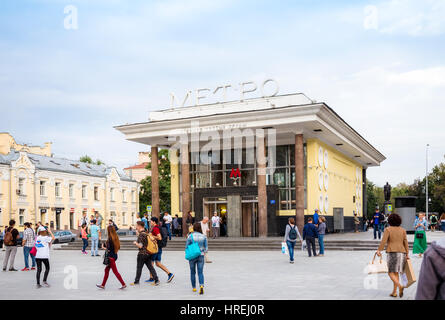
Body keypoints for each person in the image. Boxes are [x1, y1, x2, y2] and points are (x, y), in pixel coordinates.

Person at [376, 213, 409, 298]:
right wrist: (407, 254)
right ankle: (394, 292)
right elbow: (406, 243)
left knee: (390, 272)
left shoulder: (388, 229)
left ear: (390, 221)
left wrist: (379, 250)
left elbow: (383, 241)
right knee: (396, 272)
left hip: (392, 252)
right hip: (402, 253)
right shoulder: (403, 230)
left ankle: (399, 286)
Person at [145, 217, 174, 283]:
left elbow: (159, 237)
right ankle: (169, 274)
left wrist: (151, 236)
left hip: (155, 248)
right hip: (159, 248)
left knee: (151, 263)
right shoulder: (158, 227)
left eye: (151, 221)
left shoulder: (155, 228)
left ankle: (152, 278)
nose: (150, 222)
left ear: (154, 222)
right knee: (158, 263)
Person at [96, 225, 126, 289]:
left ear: (109, 231)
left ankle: (123, 284)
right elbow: (115, 247)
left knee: (115, 272)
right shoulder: (115, 237)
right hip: (114, 256)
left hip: (110, 257)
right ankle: (103, 285)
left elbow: (108, 249)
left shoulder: (110, 239)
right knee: (106, 270)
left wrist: (103, 247)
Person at [130, 221, 159, 286]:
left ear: (140, 226)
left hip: (142, 253)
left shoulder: (141, 234)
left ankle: (136, 281)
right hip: (148, 253)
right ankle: (156, 280)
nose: (136, 227)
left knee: (139, 268)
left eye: (136, 226)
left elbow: (140, 245)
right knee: (150, 267)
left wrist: (135, 243)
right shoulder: (146, 233)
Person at [186, 222, 208, 294]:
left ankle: (194, 287)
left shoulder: (190, 236)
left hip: (192, 256)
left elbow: (186, 247)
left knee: (192, 272)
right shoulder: (204, 236)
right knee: (200, 272)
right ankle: (201, 286)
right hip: (201, 255)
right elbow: (206, 248)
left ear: (194, 228)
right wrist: (203, 251)